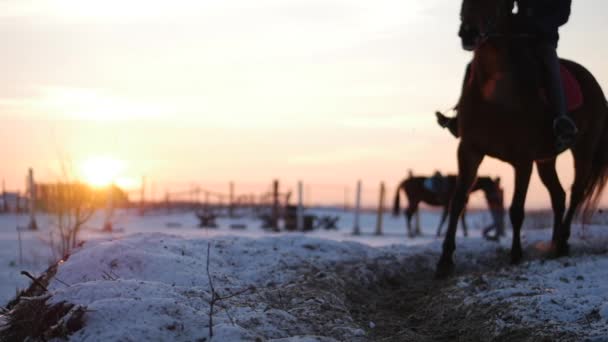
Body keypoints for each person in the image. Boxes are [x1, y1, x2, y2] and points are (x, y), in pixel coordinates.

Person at [438, 0, 577, 153]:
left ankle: (561, 119)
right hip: (516, 32)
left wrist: (537, 24)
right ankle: (459, 118)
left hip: (542, 37)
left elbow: (562, 15)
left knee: (550, 64)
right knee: (474, 64)